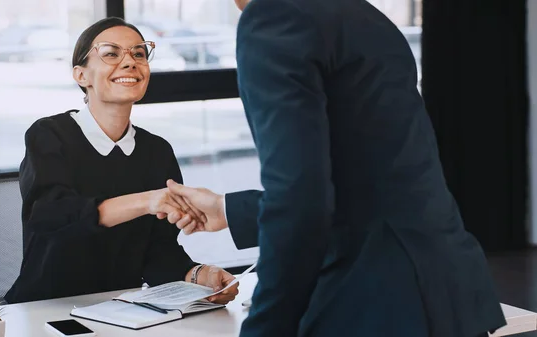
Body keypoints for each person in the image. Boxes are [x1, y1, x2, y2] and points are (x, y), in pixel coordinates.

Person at [163, 0, 507, 336]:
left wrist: (266, 325)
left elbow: (302, 202)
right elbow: (367, 179)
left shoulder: (272, 17)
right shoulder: (364, 14)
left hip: (374, 298)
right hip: (442, 290)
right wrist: (227, 209)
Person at [5, 17, 238, 304]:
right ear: (81, 76)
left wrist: (201, 276)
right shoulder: (50, 134)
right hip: (44, 307)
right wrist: (146, 201)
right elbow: (51, 217)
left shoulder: (157, 151)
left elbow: (157, 253)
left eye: (138, 53)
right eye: (111, 53)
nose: (129, 62)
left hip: (119, 310)